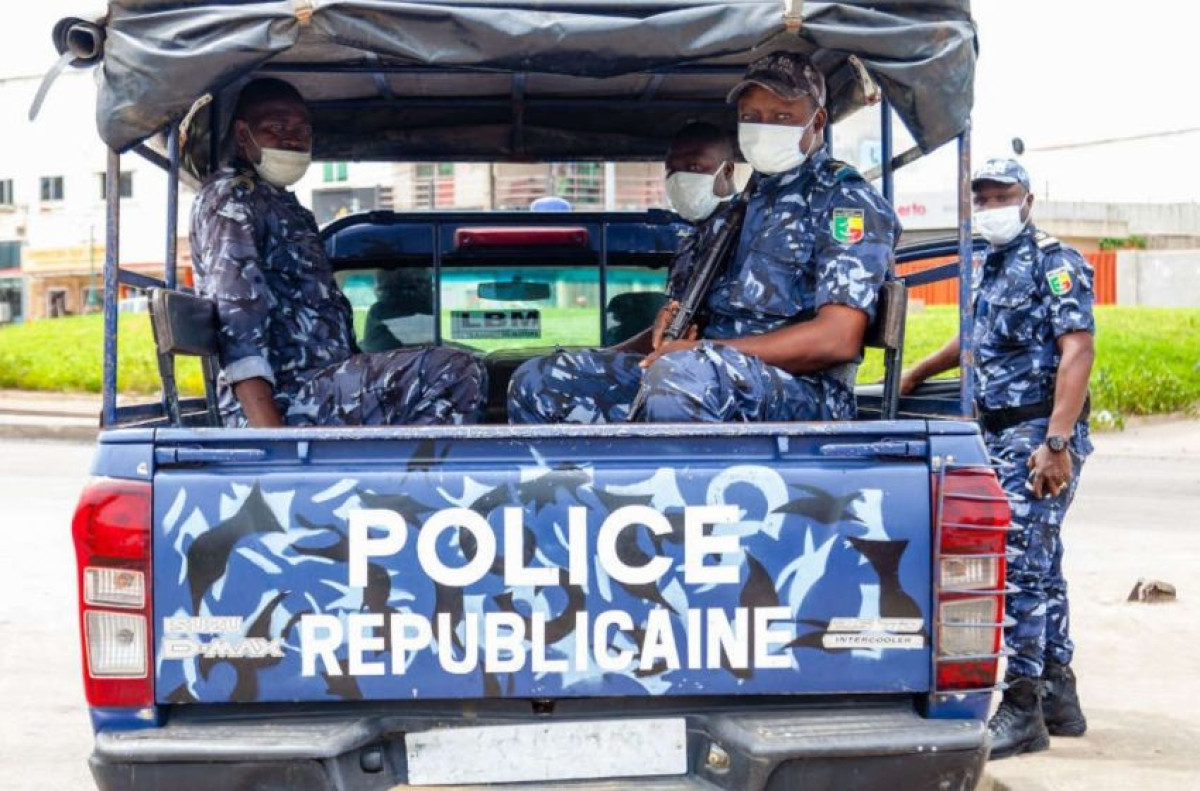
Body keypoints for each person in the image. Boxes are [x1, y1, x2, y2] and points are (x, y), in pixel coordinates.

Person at [509, 53, 899, 424]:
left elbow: (837, 339)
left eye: (782, 116)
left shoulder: (845, 201)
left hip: (804, 393)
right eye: (753, 117)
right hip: (701, 374)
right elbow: (686, 328)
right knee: (542, 379)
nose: (766, 127)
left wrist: (702, 352)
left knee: (681, 377)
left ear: (816, 123)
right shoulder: (734, 213)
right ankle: (575, 491)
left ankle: (668, 493)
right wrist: (670, 330)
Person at [901, 158, 1094, 758]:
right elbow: (973, 338)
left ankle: (1022, 706)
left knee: (1018, 569)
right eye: (980, 198)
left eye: (1001, 195)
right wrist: (918, 372)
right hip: (1000, 433)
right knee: (1043, 561)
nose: (990, 207)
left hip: (1039, 433)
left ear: (1028, 199)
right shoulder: (987, 264)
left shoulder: (1055, 261)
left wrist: (1056, 443)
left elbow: (1078, 350)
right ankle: (1060, 696)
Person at [190, 78, 486, 427]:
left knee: (455, 364)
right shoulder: (233, 199)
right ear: (243, 135)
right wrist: (270, 438)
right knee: (453, 370)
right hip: (284, 398)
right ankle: (416, 480)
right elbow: (237, 321)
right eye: (277, 127)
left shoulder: (287, 207)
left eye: (303, 130)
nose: (293, 138)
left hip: (320, 387)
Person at [506, 121, 737, 423]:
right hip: (673, 369)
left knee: (541, 379)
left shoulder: (748, 233)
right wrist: (605, 354)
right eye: (671, 171)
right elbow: (671, 330)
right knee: (538, 377)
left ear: (728, 171)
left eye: (693, 166)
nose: (680, 179)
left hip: (713, 380)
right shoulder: (692, 243)